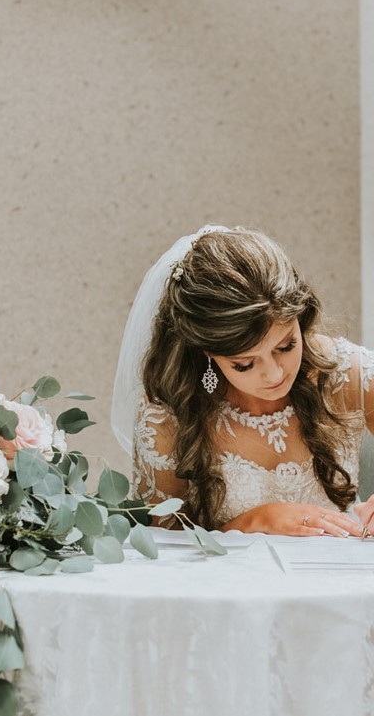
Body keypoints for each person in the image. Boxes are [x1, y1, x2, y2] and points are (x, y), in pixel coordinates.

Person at [111, 226, 374, 536]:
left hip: (340, 562)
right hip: (227, 569)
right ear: (208, 352)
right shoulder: (168, 415)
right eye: (245, 364)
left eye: (286, 346)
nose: (275, 374)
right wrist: (254, 521)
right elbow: (160, 540)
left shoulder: (346, 373)